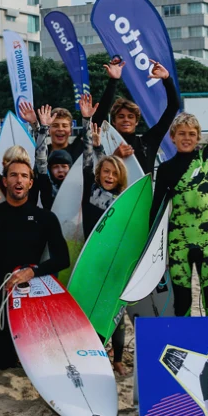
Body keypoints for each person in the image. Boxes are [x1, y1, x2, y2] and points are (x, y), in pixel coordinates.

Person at [151, 69, 208, 317]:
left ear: (198, 137)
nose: (186, 138)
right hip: (178, 241)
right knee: (182, 303)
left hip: (207, 241)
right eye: (181, 133)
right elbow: (157, 208)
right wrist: (154, 247)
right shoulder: (166, 169)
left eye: (192, 134)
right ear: (172, 137)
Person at [0, 158, 70, 370]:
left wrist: (32, 272)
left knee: (31, 364)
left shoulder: (45, 218)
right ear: (5, 181)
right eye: (13, 175)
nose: (18, 180)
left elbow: (62, 259)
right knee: (2, 363)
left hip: (30, 295)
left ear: (31, 183)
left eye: (24, 175)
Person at [83, 122, 131, 376]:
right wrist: (96, 144)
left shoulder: (124, 201)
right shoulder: (90, 191)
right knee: (92, 308)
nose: (110, 176)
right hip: (92, 259)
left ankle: (118, 359)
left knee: (116, 312)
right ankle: (96, 353)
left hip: (114, 262)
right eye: (106, 172)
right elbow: (90, 164)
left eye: (114, 173)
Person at [96, 57, 178, 174]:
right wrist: (113, 81)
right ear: (113, 121)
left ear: (136, 121)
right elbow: (98, 119)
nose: (126, 120)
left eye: (130, 117)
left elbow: (173, 106)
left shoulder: (147, 143)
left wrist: (167, 79)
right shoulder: (105, 144)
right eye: (121, 116)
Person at [30, 94, 98, 208]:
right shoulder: (45, 177)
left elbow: (88, 155)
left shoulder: (78, 156)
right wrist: (39, 126)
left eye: (64, 126)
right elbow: (41, 157)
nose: (60, 129)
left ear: (70, 130)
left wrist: (87, 119)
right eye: (55, 125)